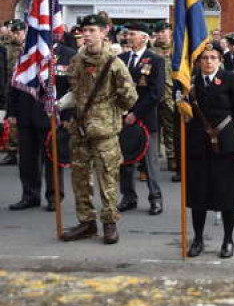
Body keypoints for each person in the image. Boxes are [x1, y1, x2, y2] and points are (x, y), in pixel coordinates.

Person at [58, 14, 138, 245]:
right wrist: (62, 104)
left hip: (104, 133)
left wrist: (109, 113)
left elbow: (130, 97)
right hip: (80, 129)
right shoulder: (76, 60)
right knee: (80, 179)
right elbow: (75, 90)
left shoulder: (114, 63)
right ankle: (86, 223)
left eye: (93, 30)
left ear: (104, 33)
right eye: (85, 30)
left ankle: (109, 223)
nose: (87, 34)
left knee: (107, 180)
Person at [181, 43, 234, 258]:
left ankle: (228, 239)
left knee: (227, 195)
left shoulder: (231, 79)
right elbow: (184, 118)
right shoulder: (188, 81)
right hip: (198, 145)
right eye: (204, 58)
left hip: (226, 145)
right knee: (198, 196)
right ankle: (198, 239)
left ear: (220, 60)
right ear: (198, 61)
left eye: (213, 57)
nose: (209, 62)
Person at [7, 33, 74, 211]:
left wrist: (67, 116)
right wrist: (12, 112)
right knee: (27, 160)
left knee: (52, 158)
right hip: (26, 113)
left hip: (52, 114)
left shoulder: (68, 54)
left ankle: (54, 196)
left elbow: (73, 88)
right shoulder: (26, 53)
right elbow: (14, 84)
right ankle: (30, 195)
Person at [116, 23, 166, 216]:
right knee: (125, 159)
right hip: (122, 117)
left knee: (150, 161)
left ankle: (155, 199)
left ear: (144, 38)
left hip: (145, 118)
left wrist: (136, 113)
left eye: (133, 34)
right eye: (128, 34)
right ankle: (128, 197)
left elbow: (156, 92)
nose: (128, 37)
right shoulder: (121, 59)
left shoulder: (155, 60)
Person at [150, 22, 178, 181]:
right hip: (154, 96)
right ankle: (148, 163)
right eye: (158, 32)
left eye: (163, 32)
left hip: (170, 95)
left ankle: (172, 157)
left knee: (171, 128)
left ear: (170, 33)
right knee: (153, 130)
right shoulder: (151, 52)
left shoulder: (177, 50)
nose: (160, 35)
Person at [0, 19, 27, 166]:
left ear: (24, 32)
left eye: (18, 33)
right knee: (10, 121)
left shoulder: (30, 47)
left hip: (25, 89)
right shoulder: (6, 47)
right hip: (9, 87)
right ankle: (11, 152)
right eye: (13, 33)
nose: (15, 36)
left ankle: (27, 152)